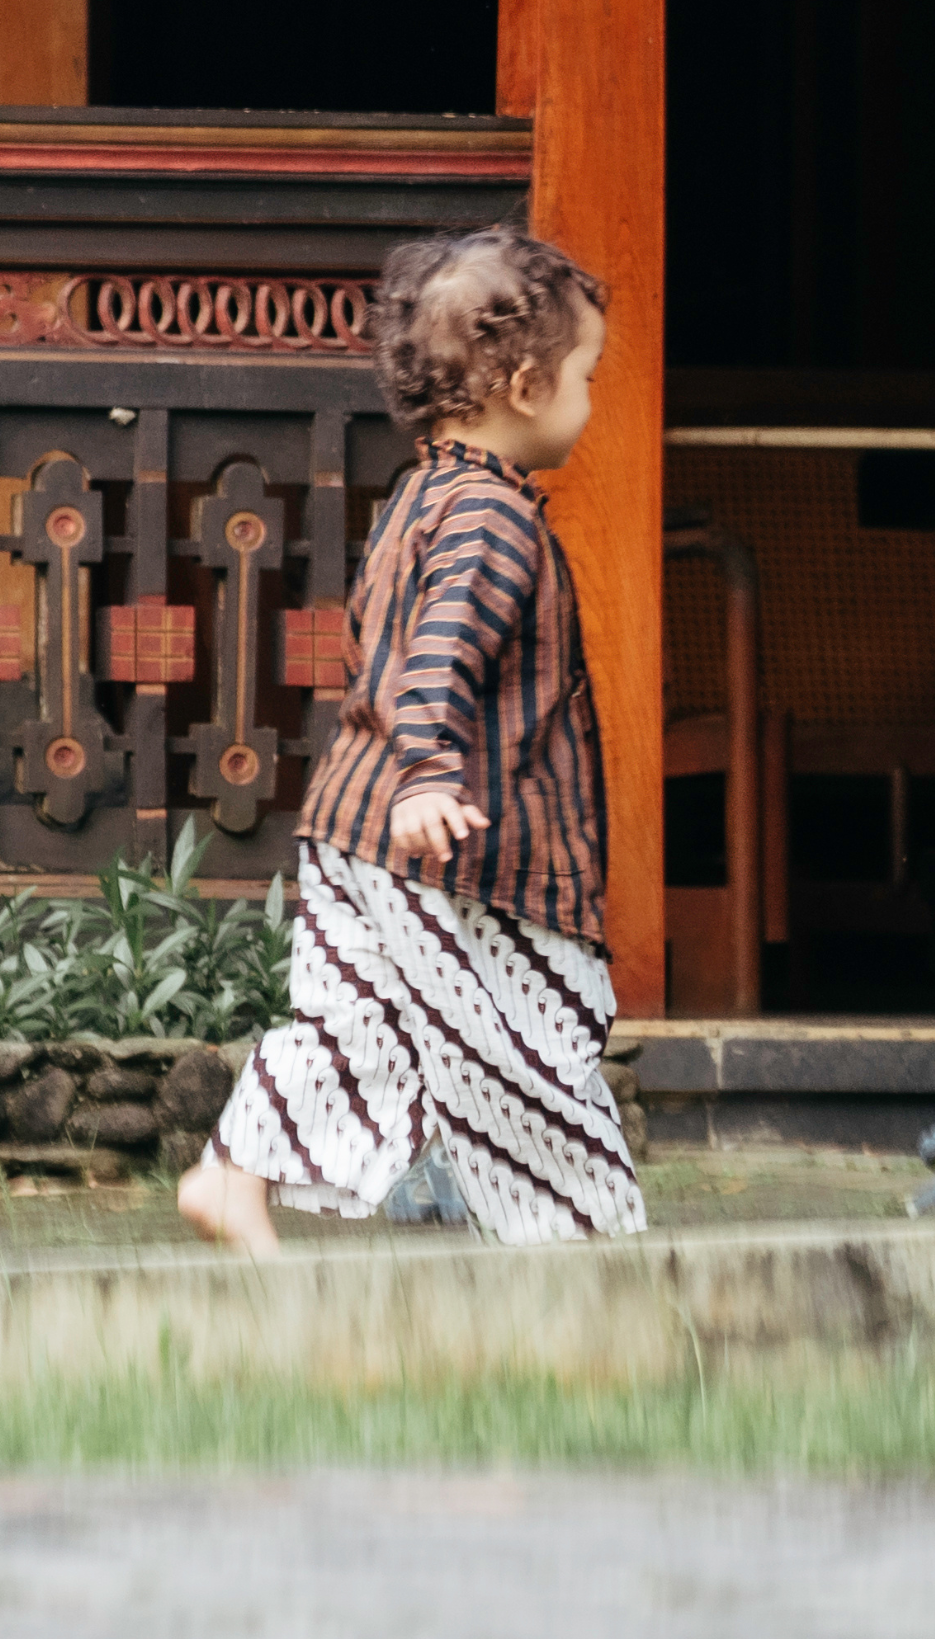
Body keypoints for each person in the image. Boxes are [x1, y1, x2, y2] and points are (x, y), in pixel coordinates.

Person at [178, 224, 649, 1254]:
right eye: (585, 373)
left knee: (358, 1029)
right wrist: (430, 775)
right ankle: (580, 1253)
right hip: (457, 858)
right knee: (527, 1050)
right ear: (526, 384)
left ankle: (233, 1171)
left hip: (354, 835)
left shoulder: (418, 500)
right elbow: (437, 656)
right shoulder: (491, 520)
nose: (590, 396)